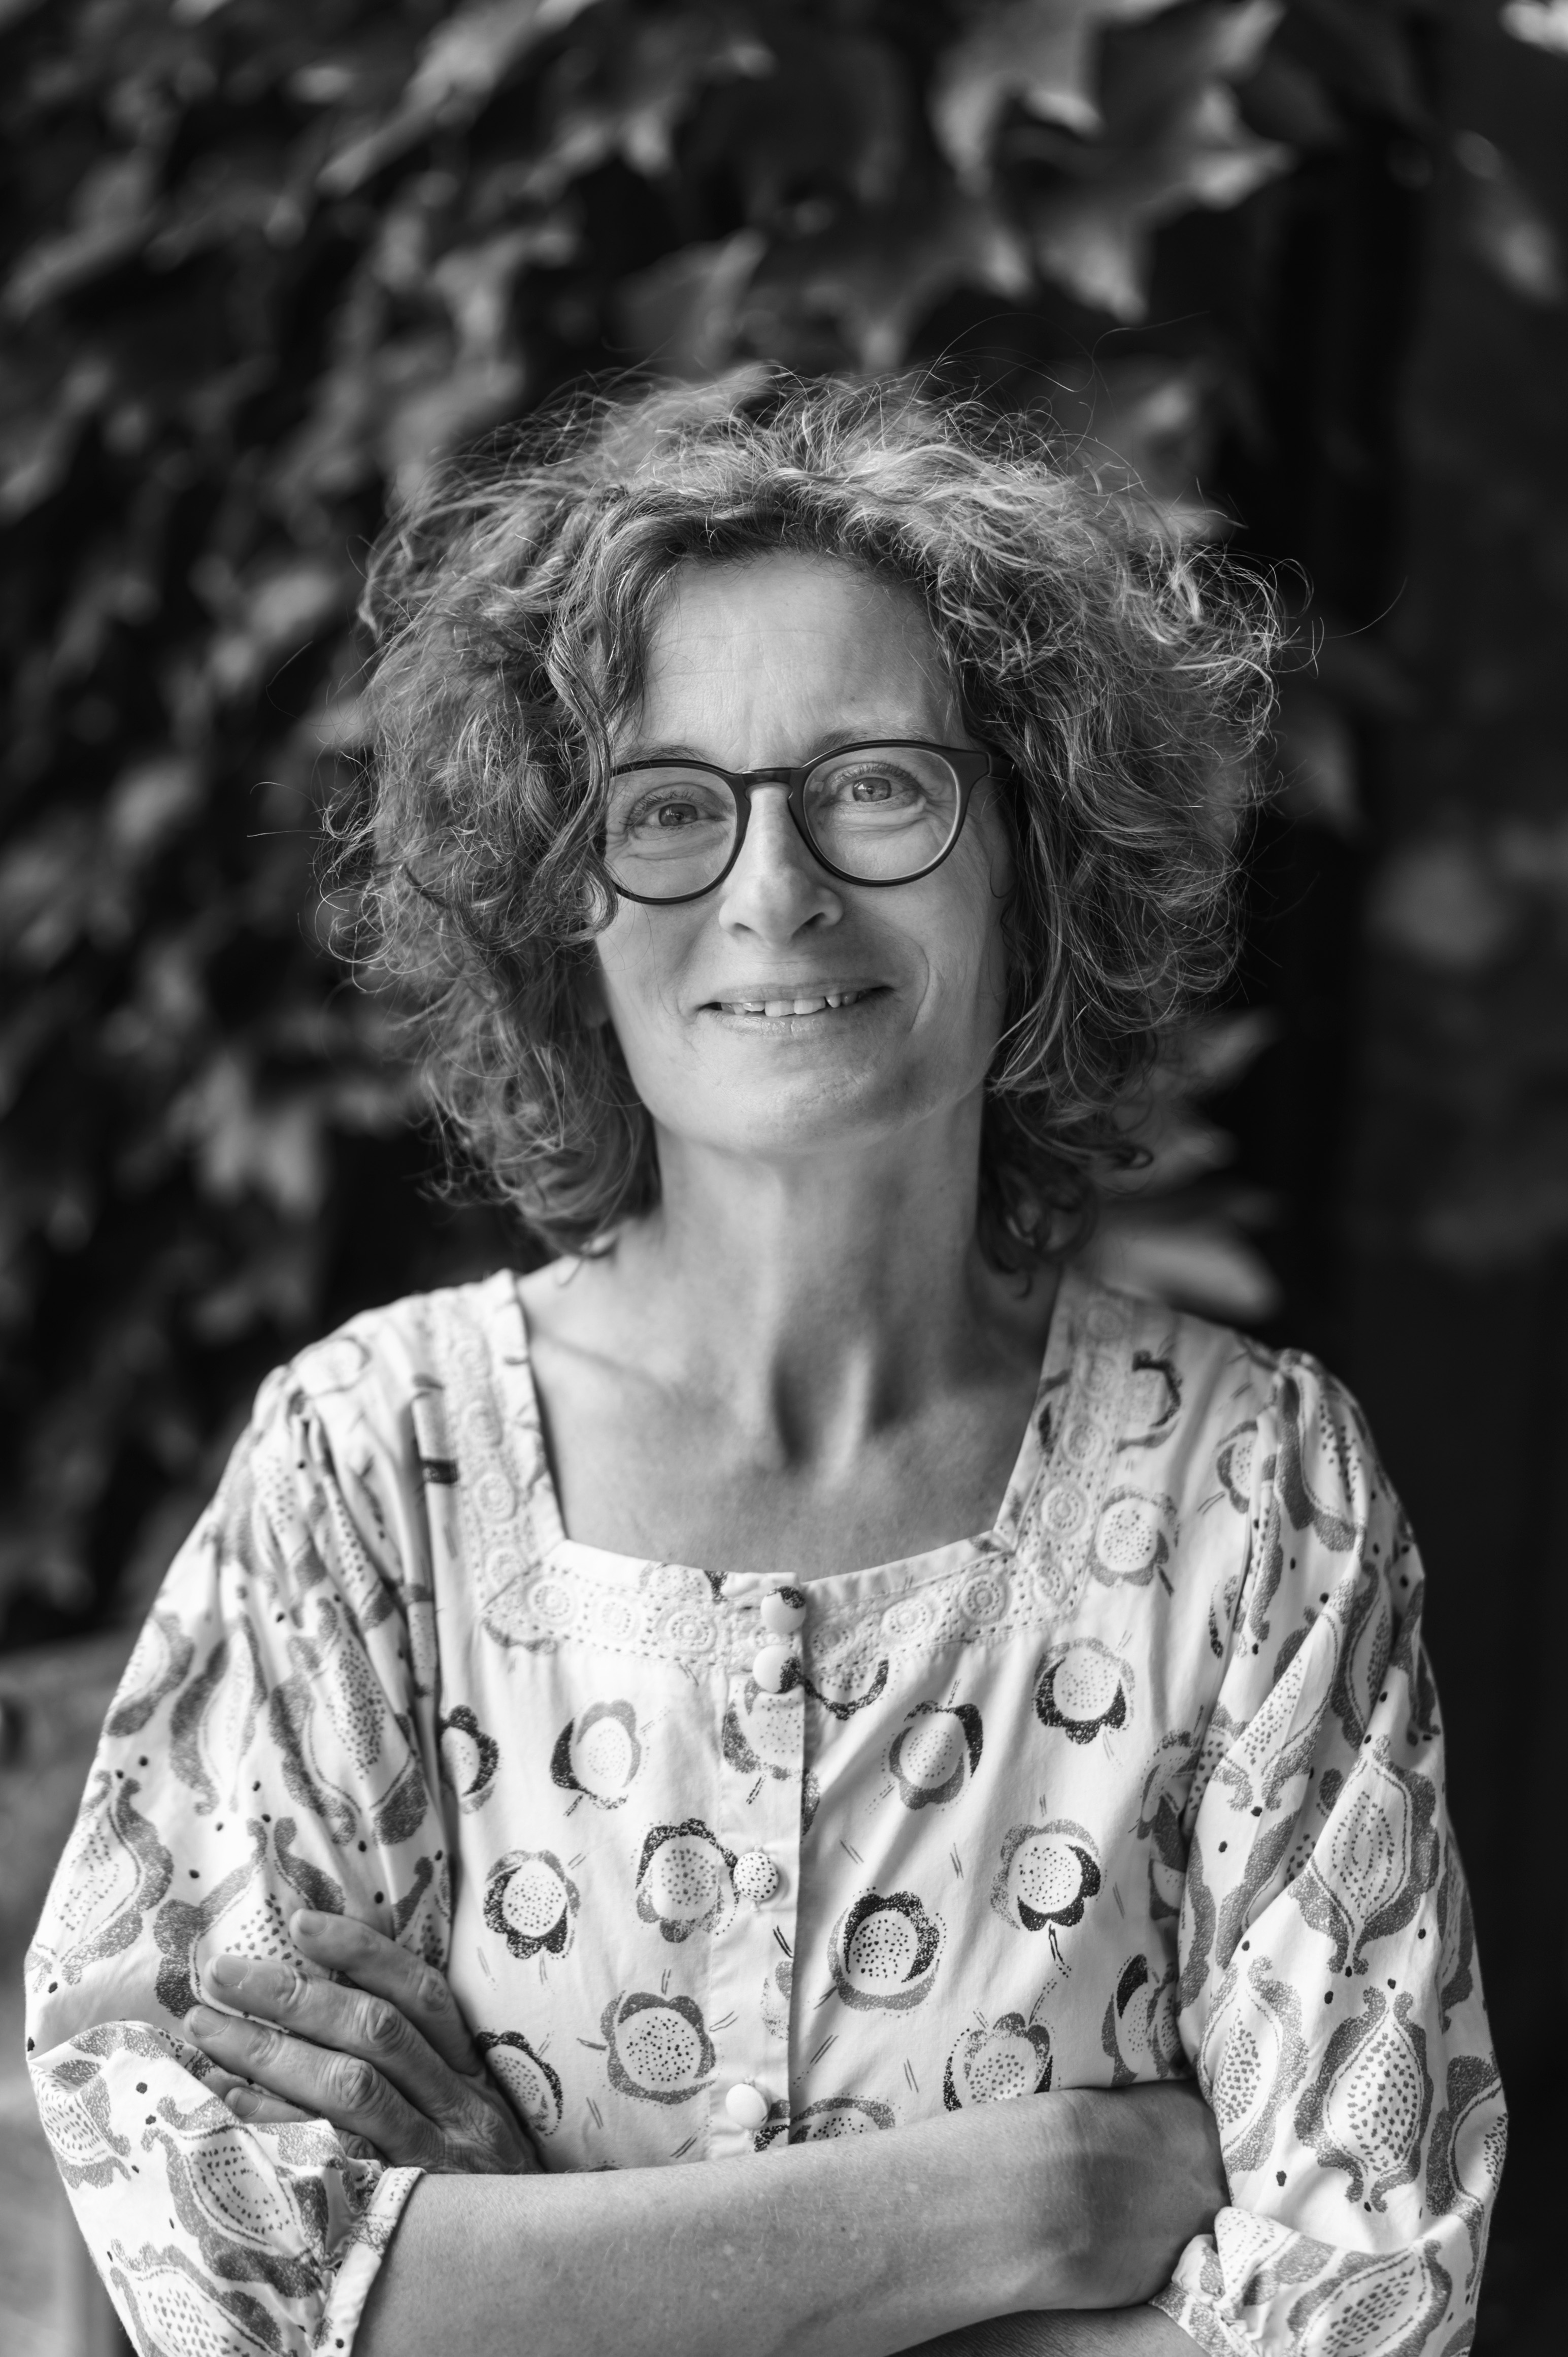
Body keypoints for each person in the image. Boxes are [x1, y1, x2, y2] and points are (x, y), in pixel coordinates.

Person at [26, 373, 1503, 2357]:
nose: (771, 888)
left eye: (875, 784)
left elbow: (1363, 2308)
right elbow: (219, 2278)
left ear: (1036, 865)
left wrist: (535, 2262)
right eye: (666, 807)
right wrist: (1037, 2204)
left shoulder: (1256, 1496)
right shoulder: (367, 1477)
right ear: (563, 901)